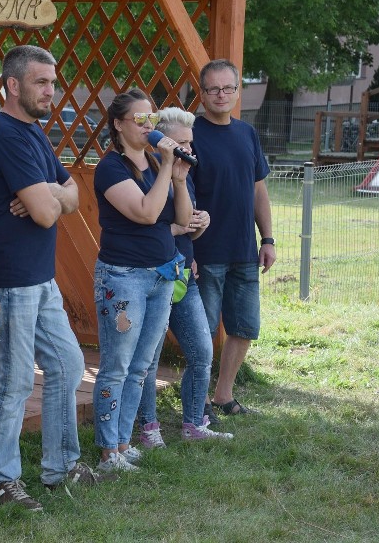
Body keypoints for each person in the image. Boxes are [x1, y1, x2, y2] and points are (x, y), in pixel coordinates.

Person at [0, 45, 98, 512]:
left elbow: (72, 195)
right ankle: (0, 481)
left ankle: (60, 467)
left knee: (67, 364)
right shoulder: (3, 134)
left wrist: (46, 193)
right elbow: (50, 213)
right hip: (9, 279)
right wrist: (50, 197)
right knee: (15, 381)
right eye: (41, 83)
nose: (52, 90)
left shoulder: (35, 134)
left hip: (40, 279)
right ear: (12, 86)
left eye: (53, 81)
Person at [92, 89, 194, 472]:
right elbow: (147, 213)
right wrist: (167, 164)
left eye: (150, 119)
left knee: (142, 366)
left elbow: (182, 221)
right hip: (124, 278)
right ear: (118, 125)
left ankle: (122, 442)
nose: (147, 126)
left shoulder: (156, 164)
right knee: (117, 366)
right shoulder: (111, 168)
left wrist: (179, 179)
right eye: (138, 119)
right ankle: (107, 452)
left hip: (161, 274)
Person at [135, 107, 234, 446]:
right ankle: (148, 428)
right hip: (152, 277)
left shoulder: (184, 171)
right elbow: (144, 224)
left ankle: (194, 424)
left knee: (202, 352)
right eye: (181, 144)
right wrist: (179, 227)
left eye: (190, 143)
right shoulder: (143, 172)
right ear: (159, 142)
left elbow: (184, 227)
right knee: (148, 359)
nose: (189, 151)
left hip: (183, 275)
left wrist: (199, 223)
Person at [191, 58, 276, 418]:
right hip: (205, 252)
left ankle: (223, 395)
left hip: (244, 250)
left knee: (244, 326)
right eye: (213, 88)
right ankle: (196, 404)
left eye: (228, 88)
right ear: (202, 92)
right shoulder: (190, 134)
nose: (221, 94)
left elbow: (259, 190)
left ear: (238, 91)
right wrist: (185, 249)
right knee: (202, 334)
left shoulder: (247, 133)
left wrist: (268, 238)